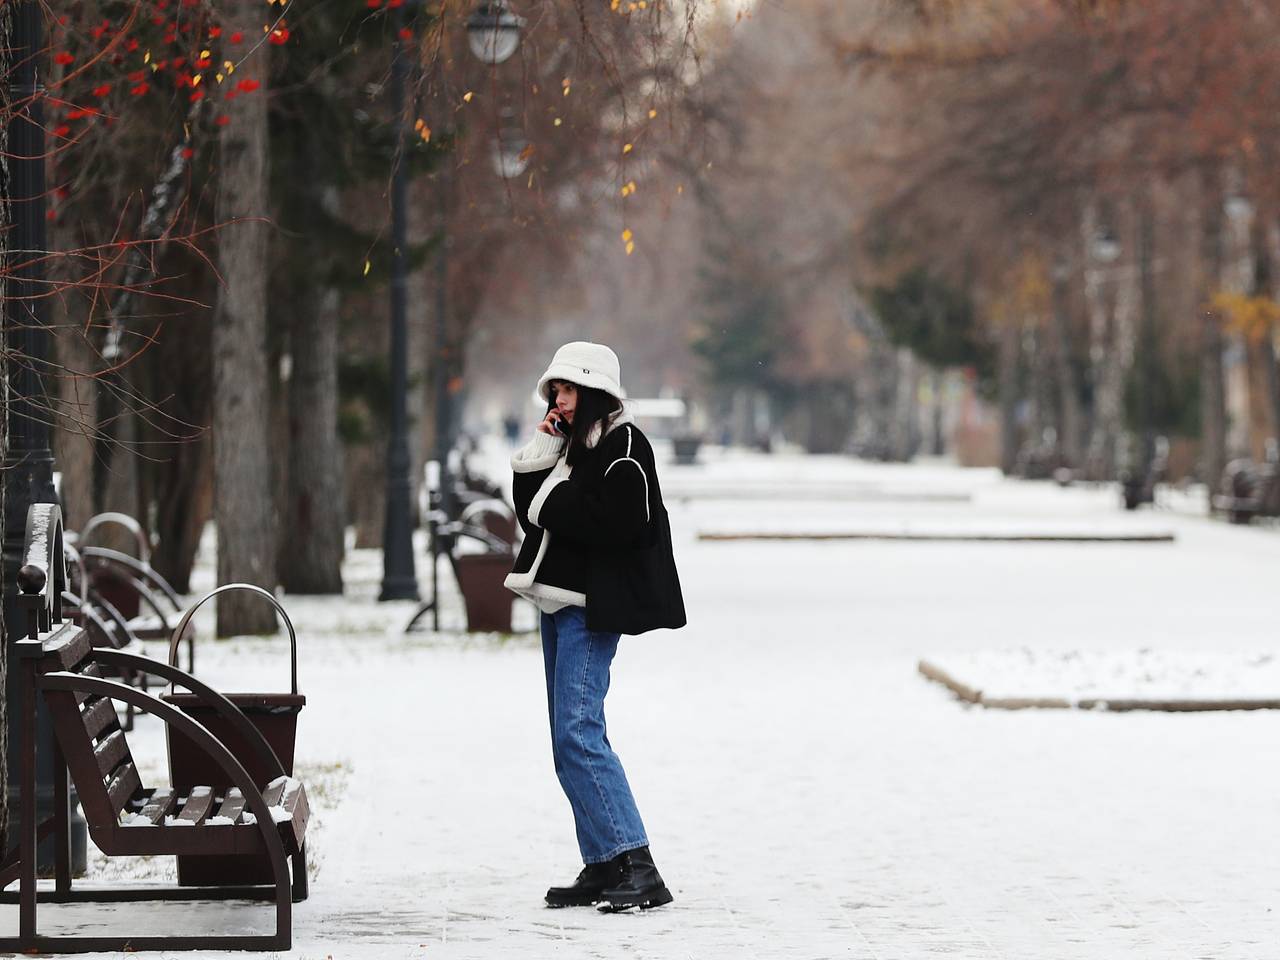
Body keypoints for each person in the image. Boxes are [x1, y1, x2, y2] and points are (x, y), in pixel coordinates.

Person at [504, 341, 686, 912]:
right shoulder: (575, 446)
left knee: (579, 734)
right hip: (557, 602)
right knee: (567, 741)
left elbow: (621, 524)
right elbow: (527, 502)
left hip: (590, 607)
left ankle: (639, 865)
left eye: (566, 389)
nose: (557, 399)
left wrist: (557, 500)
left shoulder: (624, 444)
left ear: (594, 391)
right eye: (553, 390)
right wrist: (547, 445)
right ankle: (605, 863)